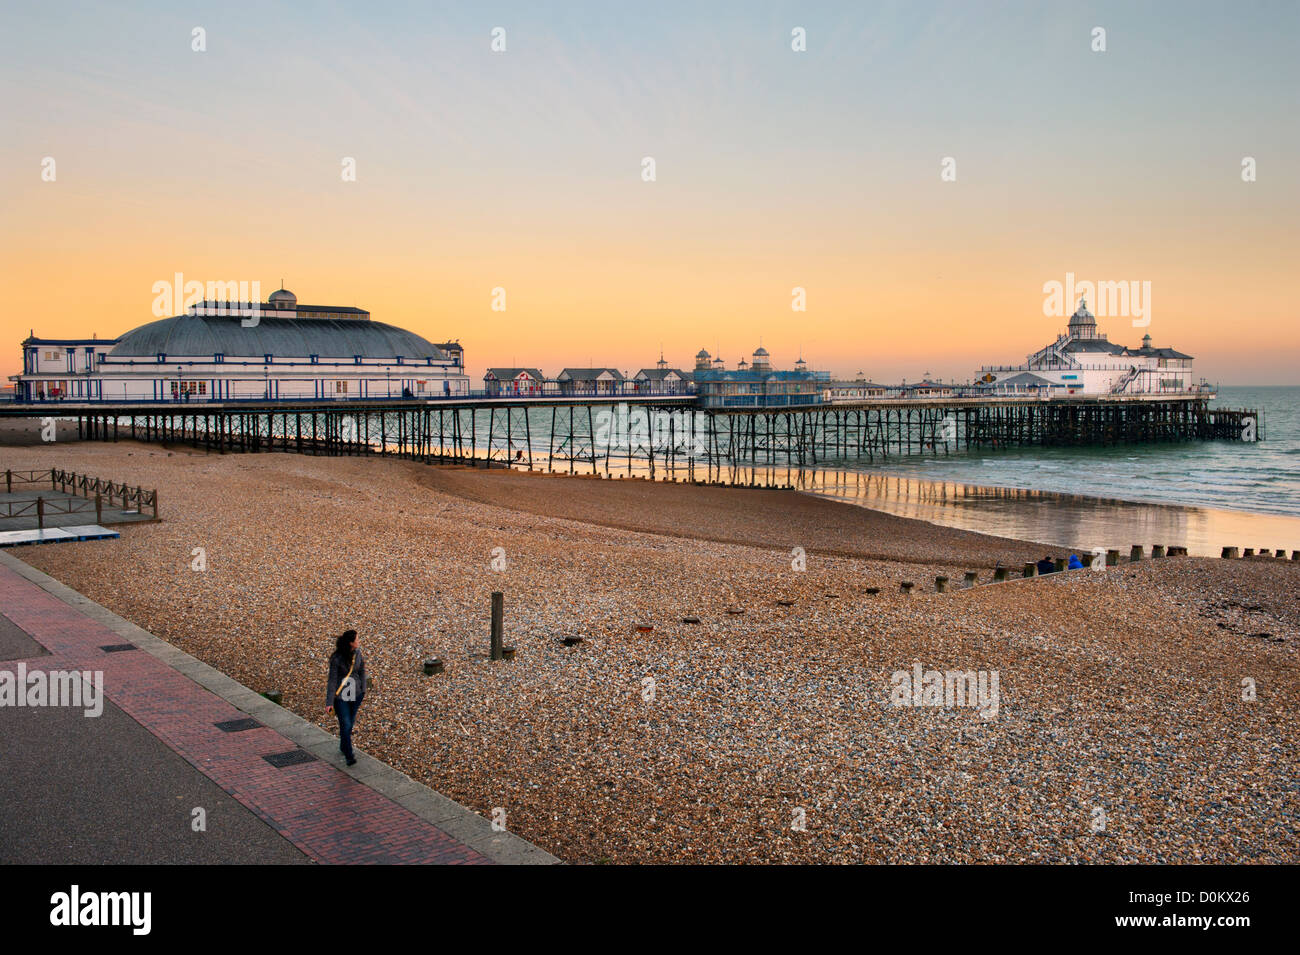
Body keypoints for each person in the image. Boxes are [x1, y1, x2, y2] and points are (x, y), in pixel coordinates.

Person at [325, 629, 366, 766]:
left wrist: (363, 690)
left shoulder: (358, 654)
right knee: (346, 724)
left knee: (349, 724)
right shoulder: (337, 659)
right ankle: (349, 755)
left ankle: (344, 746)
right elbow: (332, 680)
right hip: (341, 696)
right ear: (350, 643)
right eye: (357, 640)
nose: (359, 641)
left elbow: (362, 671)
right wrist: (329, 702)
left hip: (356, 694)